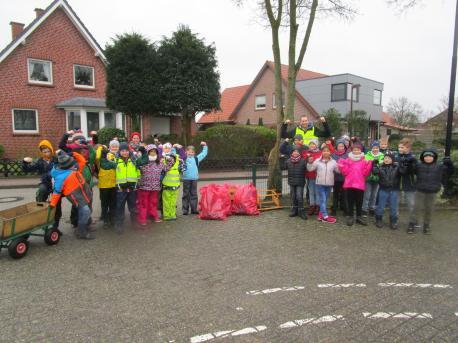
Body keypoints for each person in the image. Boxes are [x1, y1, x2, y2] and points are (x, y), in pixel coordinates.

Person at [100, 142, 148, 234]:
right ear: (119, 151)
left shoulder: (134, 160)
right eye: (122, 151)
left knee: (133, 208)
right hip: (120, 190)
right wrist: (103, 155)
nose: (125, 152)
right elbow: (105, 165)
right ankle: (119, 225)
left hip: (132, 189)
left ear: (129, 151)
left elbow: (145, 160)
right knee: (119, 208)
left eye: (126, 150)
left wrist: (143, 151)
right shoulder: (116, 161)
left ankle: (135, 223)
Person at [408, 149, 454, 234]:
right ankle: (411, 224)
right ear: (423, 157)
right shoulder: (419, 165)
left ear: (434, 157)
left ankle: (426, 226)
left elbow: (449, 173)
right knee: (416, 208)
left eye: (430, 156)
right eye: (426, 156)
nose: (428, 158)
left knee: (429, 209)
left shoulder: (439, 167)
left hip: (432, 191)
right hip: (420, 190)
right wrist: (411, 163)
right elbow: (410, 171)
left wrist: (450, 165)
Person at [50, 150, 93, 239]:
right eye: (72, 164)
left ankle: (82, 227)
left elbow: (82, 161)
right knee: (85, 211)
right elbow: (57, 192)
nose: (74, 165)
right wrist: (53, 204)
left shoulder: (74, 168)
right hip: (74, 195)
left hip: (84, 190)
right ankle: (81, 232)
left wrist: (73, 153)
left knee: (85, 210)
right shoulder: (60, 176)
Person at [22, 140, 62, 232]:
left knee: (57, 205)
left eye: (48, 151)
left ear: (51, 150)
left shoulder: (56, 159)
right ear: (41, 152)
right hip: (45, 182)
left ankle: (55, 227)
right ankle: (41, 208)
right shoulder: (39, 161)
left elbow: (65, 164)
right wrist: (24, 162)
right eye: (44, 152)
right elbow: (27, 169)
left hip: (56, 183)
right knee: (42, 190)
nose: (46, 153)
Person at [338, 142, 373, 226]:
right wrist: (342, 165)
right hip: (349, 184)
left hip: (359, 184)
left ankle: (359, 216)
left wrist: (369, 165)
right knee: (350, 201)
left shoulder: (364, 160)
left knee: (359, 201)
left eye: (358, 150)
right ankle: (350, 216)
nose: (356, 151)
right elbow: (345, 172)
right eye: (354, 150)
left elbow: (366, 173)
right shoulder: (347, 160)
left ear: (360, 151)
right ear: (352, 150)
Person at [137, 145, 170, 227]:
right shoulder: (143, 163)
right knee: (144, 204)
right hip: (144, 187)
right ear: (147, 153)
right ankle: (143, 219)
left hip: (155, 187)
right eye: (151, 151)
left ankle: (154, 216)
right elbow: (136, 166)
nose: (153, 153)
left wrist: (170, 161)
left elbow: (167, 169)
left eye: (154, 151)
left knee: (153, 203)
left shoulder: (159, 163)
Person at [307, 146, 340, 223]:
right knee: (323, 200)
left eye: (327, 151)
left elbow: (338, 171)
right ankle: (325, 216)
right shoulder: (317, 161)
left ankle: (320, 215)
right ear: (322, 152)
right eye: (324, 151)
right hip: (320, 183)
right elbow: (310, 169)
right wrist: (309, 162)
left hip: (329, 184)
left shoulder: (334, 162)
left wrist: (342, 166)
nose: (326, 152)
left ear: (330, 152)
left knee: (325, 200)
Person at [373, 152, 400, 229]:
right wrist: (375, 164)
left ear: (392, 160)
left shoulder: (396, 167)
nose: (386, 159)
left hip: (393, 190)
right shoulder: (380, 167)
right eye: (385, 158)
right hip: (383, 189)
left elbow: (403, 171)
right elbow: (375, 172)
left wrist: (403, 165)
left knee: (393, 206)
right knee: (380, 206)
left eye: (389, 158)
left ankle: (393, 221)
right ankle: (378, 220)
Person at [95, 140, 119, 229]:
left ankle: (112, 219)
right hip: (104, 184)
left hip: (114, 183)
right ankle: (105, 220)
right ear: (109, 147)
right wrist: (101, 147)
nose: (114, 148)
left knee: (113, 203)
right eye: (112, 146)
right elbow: (97, 157)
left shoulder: (118, 156)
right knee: (105, 203)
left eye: (116, 146)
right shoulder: (104, 155)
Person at [395, 138, 417, 231]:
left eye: (402, 147)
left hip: (409, 184)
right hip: (397, 183)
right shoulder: (396, 157)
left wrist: (411, 165)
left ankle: (412, 221)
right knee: (395, 203)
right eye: (399, 147)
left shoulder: (413, 158)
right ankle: (394, 219)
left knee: (411, 204)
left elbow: (416, 170)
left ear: (408, 148)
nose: (399, 149)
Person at [182, 142, 208, 215]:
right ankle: (185, 209)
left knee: (193, 194)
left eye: (192, 152)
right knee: (185, 194)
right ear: (185, 152)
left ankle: (194, 209)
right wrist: (174, 149)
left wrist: (205, 146)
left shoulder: (196, 158)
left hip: (194, 179)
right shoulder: (183, 158)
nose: (190, 153)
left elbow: (203, 154)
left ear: (194, 153)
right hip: (186, 179)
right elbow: (175, 156)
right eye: (189, 152)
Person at [362, 141, 384, 216]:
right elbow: (364, 165)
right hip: (368, 178)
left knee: (374, 195)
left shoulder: (382, 156)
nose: (375, 149)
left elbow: (383, 165)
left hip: (377, 178)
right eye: (374, 148)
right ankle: (364, 209)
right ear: (371, 148)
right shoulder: (366, 155)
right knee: (367, 194)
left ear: (379, 148)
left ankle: (372, 208)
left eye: (377, 148)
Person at [286, 147, 308, 220]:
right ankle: (294, 210)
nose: (295, 153)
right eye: (294, 152)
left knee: (299, 196)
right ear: (292, 153)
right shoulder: (288, 161)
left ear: (299, 153)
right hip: (292, 182)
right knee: (293, 196)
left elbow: (308, 168)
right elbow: (282, 167)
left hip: (300, 182)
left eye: (297, 152)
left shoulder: (303, 161)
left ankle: (301, 210)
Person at [304, 139, 322, 215]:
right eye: (310, 144)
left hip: (318, 176)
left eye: (313, 144)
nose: (312, 145)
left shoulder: (320, 153)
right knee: (311, 192)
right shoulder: (306, 152)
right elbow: (305, 160)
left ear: (316, 145)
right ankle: (312, 206)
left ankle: (318, 206)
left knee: (317, 192)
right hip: (310, 176)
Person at [331, 139, 348, 215]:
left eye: (342, 146)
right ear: (336, 147)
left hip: (345, 178)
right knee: (335, 194)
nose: (340, 147)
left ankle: (344, 208)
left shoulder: (347, 155)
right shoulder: (333, 155)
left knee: (344, 194)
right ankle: (334, 208)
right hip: (336, 177)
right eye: (339, 146)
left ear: (344, 147)